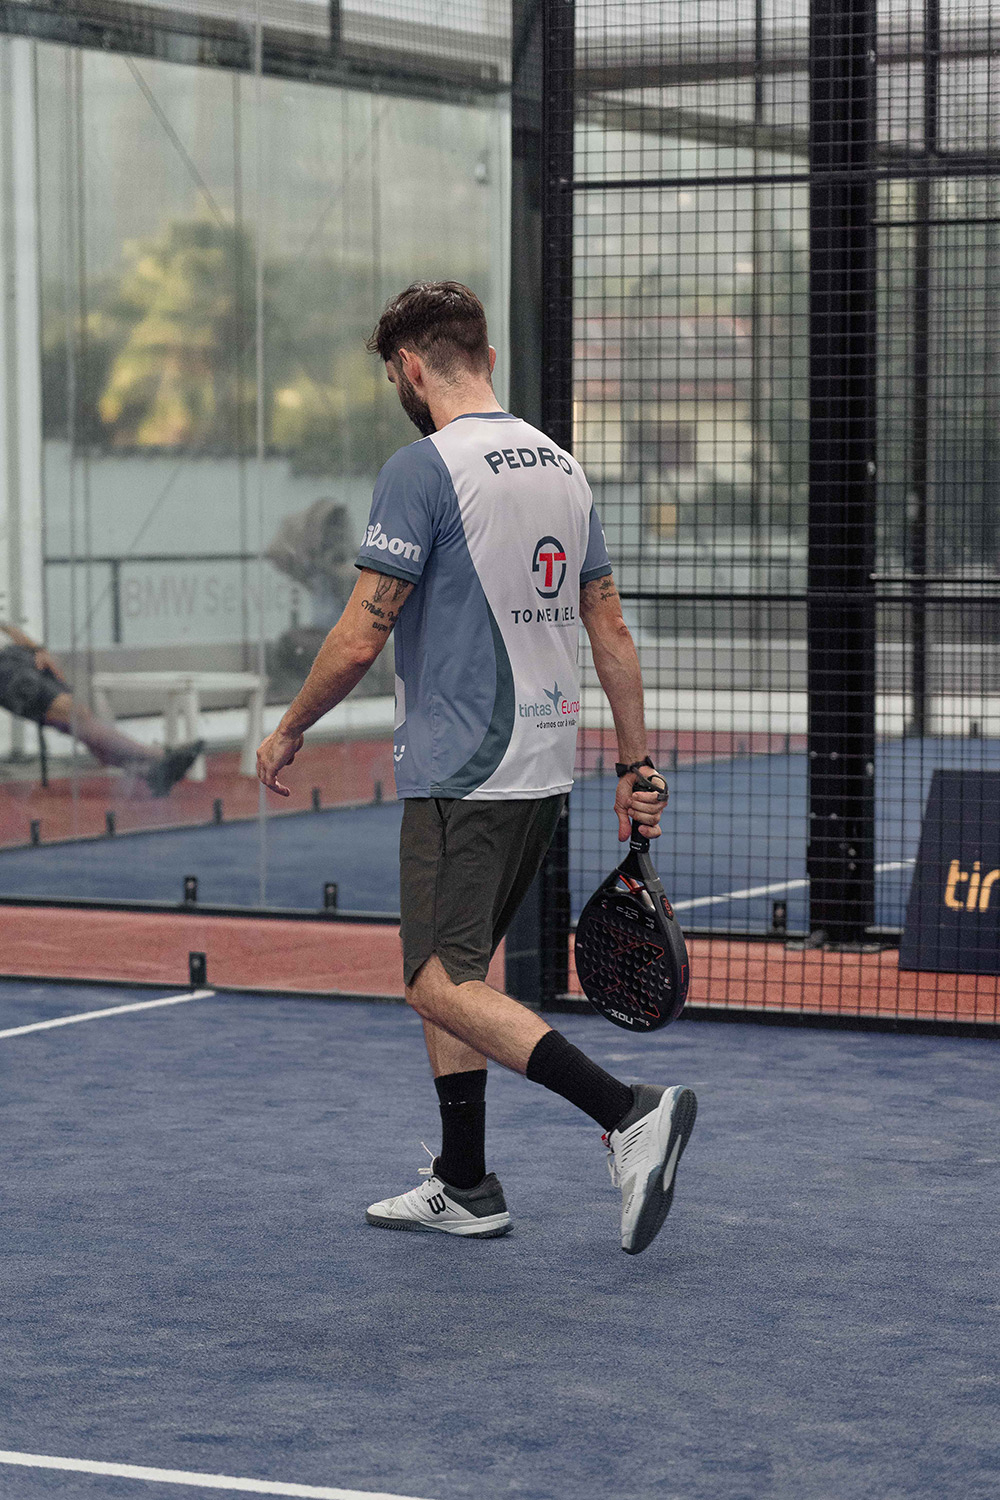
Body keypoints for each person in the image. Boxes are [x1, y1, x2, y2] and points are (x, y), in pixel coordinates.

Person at [256, 281, 696, 1255]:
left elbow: (361, 632)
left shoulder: (422, 468)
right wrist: (636, 767)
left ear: (410, 370)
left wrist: (289, 727)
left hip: (462, 773)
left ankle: (628, 1113)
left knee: (432, 981)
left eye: (393, 376)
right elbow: (611, 630)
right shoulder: (561, 468)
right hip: (542, 772)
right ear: (486, 360)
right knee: (458, 970)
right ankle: (465, 1182)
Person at [0, 623, 203, 796]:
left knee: (82, 722)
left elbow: (6, 627)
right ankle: (157, 756)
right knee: (76, 716)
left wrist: (37, 649)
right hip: (8, 673)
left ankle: (151, 772)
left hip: (22, 659)